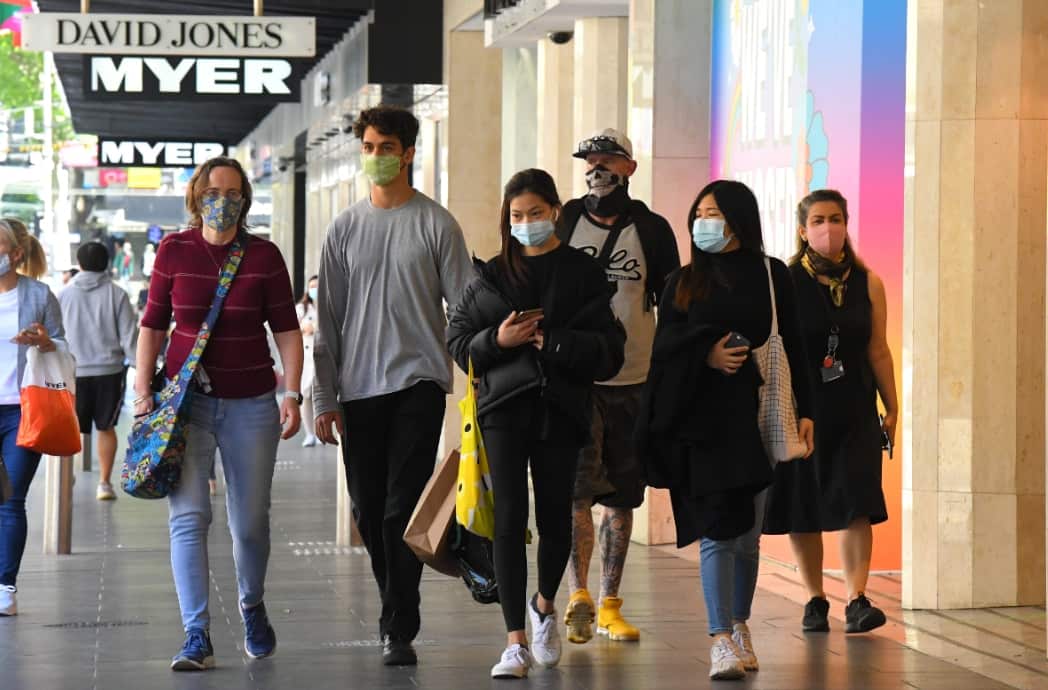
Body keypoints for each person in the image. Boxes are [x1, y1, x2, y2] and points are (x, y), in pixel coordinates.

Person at [447, 169, 626, 679]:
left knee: (555, 518)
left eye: (536, 213)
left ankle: (545, 605)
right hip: (503, 411)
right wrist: (496, 343)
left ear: (555, 212)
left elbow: (611, 352)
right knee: (507, 519)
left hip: (563, 410)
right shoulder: (491, 276)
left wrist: (556, 343)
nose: (526, 223)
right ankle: (515, 642)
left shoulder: (583, 274)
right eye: (517, 216)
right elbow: (457, 340)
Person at [312, 105, 472, 667]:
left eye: (386, 147)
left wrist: (482, 363)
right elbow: (326, 323)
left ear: (408, 153)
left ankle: (397, 624)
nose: (376, 157)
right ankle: (393, 603)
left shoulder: (437, 224)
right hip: (358, 389)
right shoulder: (344, 228)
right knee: (367, 508)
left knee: (400, 506)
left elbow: (464, 307)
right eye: (369, 147)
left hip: (418, 383)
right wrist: (323, 397)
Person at [636, 180, 814, 680]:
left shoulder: (772, 274)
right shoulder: (683, 281)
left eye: (713, 212)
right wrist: (707, 353)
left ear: (739, 218)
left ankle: (739, 625)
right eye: (699, 212)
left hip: (760, 412)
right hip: (705, 422)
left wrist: (809, 412)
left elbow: (795, 344)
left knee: (748, 534)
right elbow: (665, 347)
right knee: (718, 528)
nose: (702, 221)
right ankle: (718, 638)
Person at [134, 156, 303, 671]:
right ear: (195, 197)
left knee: (250, 522)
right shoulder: (173, 250)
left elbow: (288, 332)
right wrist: (144, 393)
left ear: (245, 199)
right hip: (186, 406)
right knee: (189, 517)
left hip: (251, 403)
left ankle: (251, 605)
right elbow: (153, 326)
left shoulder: (265, 256)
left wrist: (291, 393)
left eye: (232, 192)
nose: (222, 201)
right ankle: (196, 633)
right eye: (213, 191)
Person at [558, 128, 680, 644]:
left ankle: (610, 601)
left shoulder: (651, 229)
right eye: (588, 160)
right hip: (579, 380)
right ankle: (577, 595)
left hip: (634, 379)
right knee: (576, 491)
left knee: (624, 496)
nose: (596, 168)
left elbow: (673, 303)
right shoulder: (565, 219)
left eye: (607, 159)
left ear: (629, 168)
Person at [763, 189, 898, 634]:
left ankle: (857, 598)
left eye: (836, 218)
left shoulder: (867, 281)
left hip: (856, 405)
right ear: (803, 230)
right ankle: (814, 598)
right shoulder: (783, 281)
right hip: (805, 406)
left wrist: (892, 406)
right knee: (805, 501)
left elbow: (878, 350)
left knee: (857, 498)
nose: (828, 228)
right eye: (818, 220)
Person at [0, 217, 63, 617]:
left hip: (24, 410)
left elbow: (63, 346)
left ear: (15, 254)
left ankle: (6, 586)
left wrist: (44, 342)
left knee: (10, 499)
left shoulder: (38, 295)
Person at [58, 241, 138, 501]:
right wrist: (143, 371)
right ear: (107, 264)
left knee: (70, 428)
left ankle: (65, 476)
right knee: (106, 427)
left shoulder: (64, 295)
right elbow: (129, 337)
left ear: (79, 264)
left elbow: (56, 336)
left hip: (72, 372)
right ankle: (104, 483)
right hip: (110, 372)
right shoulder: (117, 294)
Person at [296, 275, 319, 447]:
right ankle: (309, 433)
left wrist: (316, 329)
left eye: (317, 286)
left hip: (322, 356)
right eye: (312, 287)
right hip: (306, 357)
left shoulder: (328, 306)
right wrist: (304, 328)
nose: (314, 290)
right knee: (305, 395)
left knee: (320, 395)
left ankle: (320, 432)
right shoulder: (301, 308)